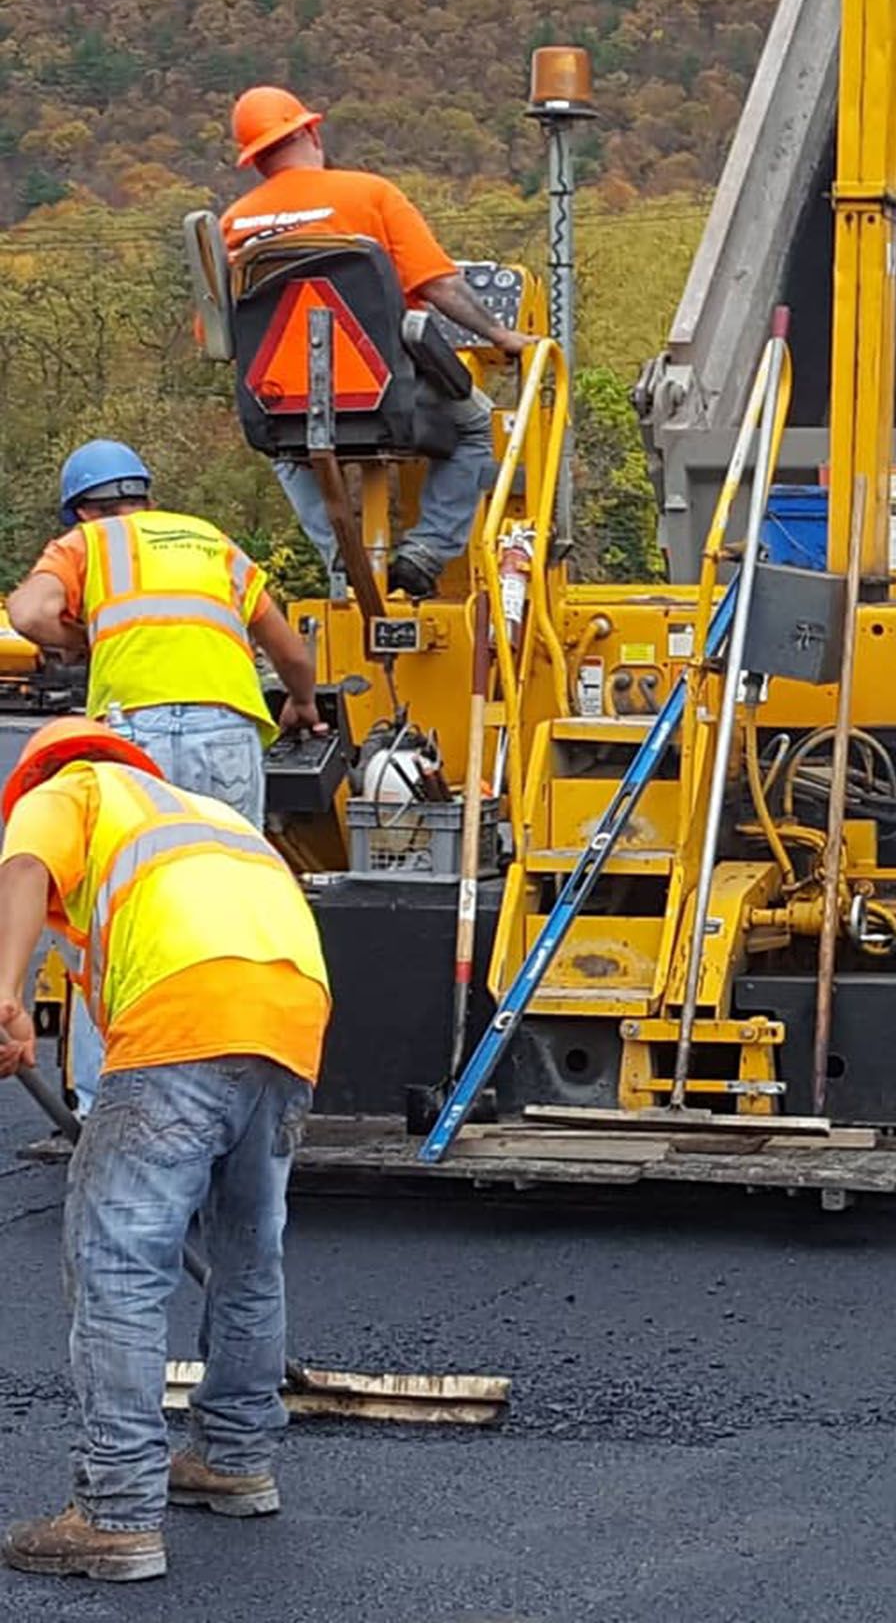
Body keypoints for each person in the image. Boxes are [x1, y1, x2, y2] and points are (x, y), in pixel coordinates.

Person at [0, 718, 331, 1584]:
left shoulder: (67, 788)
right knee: (249, 1254)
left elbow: (26, 871)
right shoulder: (206, 817)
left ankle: (114, 1512)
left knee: (119, 1265)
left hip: (188, 1010)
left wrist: (2, 996)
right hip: (291, 1014)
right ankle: (233, 1457)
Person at [6, 441, 323, 1109]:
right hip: (226, 737)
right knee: (232, 905)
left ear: (82, 509)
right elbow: (290, 649)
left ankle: (107, 1106)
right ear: (145, 495)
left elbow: (29, 615)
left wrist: (84, 639)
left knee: (114, 917)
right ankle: (237, 1092)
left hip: (131, 739)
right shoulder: (212, 543)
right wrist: (300, 702)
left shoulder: (86, 545)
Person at [219, 85, 544, 599]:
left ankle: (342, 561)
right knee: (477, 429)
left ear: (254, 160)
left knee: (284, 451)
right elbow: (438, 285)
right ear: (309, 132)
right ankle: (425, 553)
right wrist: (502, 335)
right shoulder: (370, 195)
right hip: (385, 396)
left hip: (284, 408)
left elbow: (218, 332)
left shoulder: (232, 224)